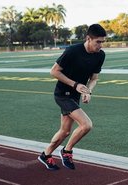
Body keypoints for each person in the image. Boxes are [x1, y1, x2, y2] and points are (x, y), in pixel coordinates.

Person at [38, 24, 107, 170]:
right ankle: (67, 151)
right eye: (98, 42)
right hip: (63, 94)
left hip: (75, 95)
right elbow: (54, 71)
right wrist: (75, 85)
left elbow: (94, 78)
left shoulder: (100, 55)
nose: (100, 45)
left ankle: (46, 155)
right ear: (89, 38)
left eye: (102, 42)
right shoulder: (73, 51)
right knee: (86, 125)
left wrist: (88, 92)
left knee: (65, 131)